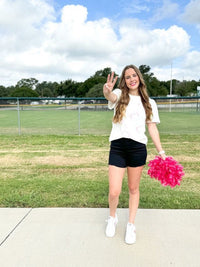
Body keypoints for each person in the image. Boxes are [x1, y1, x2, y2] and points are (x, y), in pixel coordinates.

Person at [103, 64, 166, 245]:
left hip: (138, 149)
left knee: (133, 189)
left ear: (139, 77)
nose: (131, 79)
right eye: (127, 77)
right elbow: (110, 96)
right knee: (114, 190)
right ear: (124, 80)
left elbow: (152, 127)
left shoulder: (149, 102)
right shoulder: (119, 95)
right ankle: (112, 218)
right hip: (118, 147)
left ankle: (131, 224)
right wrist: (106, 90)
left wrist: (161, 151)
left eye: (134, 75)